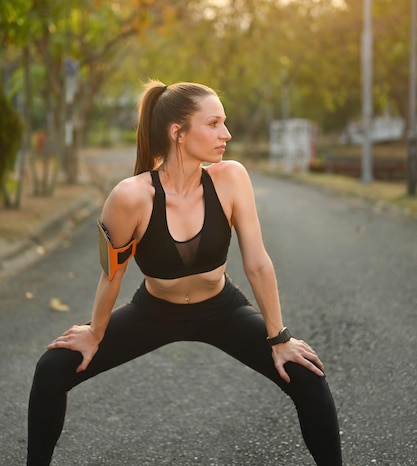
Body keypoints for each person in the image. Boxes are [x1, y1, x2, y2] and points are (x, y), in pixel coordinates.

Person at [27, 80, 342, 466]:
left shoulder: (231, 178)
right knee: (51, 369)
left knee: (307, 377)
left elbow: (257, 262)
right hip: (153, 313)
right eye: (213, 124)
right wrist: (94, 333)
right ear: (178, 132)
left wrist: (280, 338)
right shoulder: (130, 196)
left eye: (223, 123)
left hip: (221, 310)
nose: (226, 134)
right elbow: (112, 274)